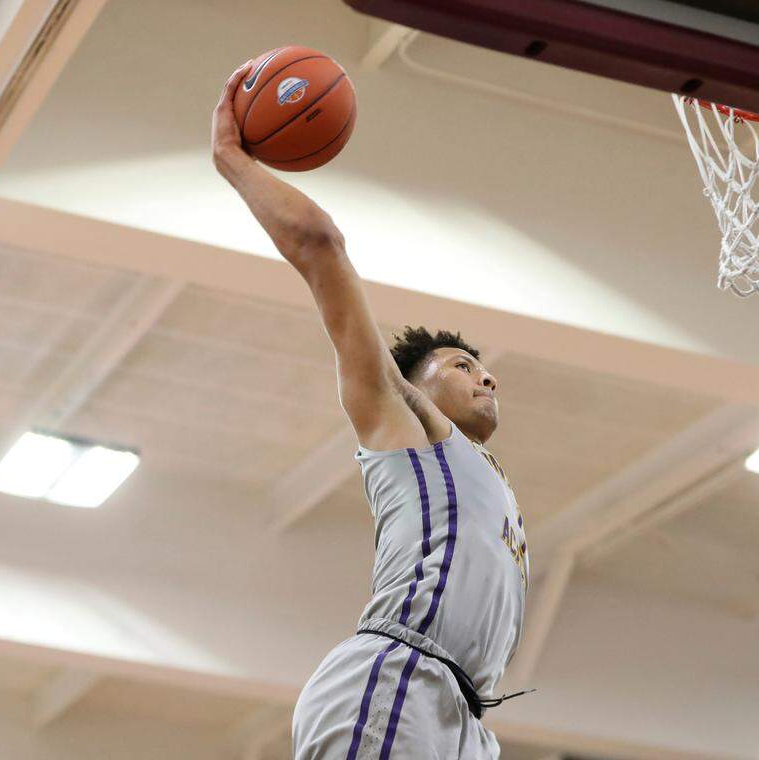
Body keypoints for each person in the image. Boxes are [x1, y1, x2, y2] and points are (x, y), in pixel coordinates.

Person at [211, 61, 531, 759]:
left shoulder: (491, 487)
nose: (486, 378)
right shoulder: (405, 427)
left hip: (465, 720)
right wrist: (232, 158)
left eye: (483, 368)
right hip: (398, 679)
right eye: (461, 366)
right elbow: (319, 247)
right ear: (411, 386)